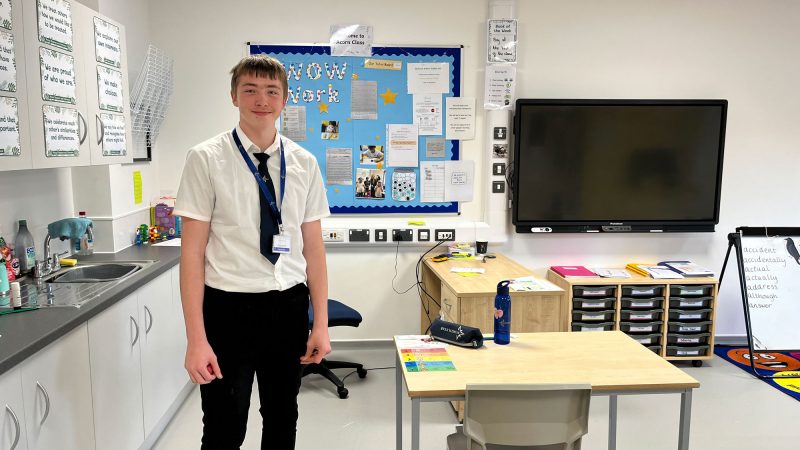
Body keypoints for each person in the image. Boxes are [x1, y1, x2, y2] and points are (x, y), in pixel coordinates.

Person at [173, 54, 331, 450]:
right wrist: (196, 339)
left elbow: (313, 249)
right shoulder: (205, 159)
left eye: (271, 91)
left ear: (284, 99)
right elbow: (191, 254)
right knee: (225, 427)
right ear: (234, 96)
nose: (261, 99)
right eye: (250, 90)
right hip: (228, 310)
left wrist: (321, 323)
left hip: (288, 308)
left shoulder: (305, 163)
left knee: (282, 420)